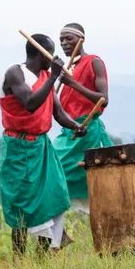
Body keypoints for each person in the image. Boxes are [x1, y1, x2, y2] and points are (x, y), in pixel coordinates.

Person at [0, 34, 85, 254]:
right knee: (22, 203)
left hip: (42, 147)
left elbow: (57, 111)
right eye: (51, 53)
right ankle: (19, 258)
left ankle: (44, 254)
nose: (55, 58)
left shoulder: (46, 75)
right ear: (38, 53)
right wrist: (53, 78)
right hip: (18, 148)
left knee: (55, 195)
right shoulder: (15, 73)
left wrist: (75, 125)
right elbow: (30, 103)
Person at [52, 23, 112, 213]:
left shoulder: (94, 61)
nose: (64, 43)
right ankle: (56, 231)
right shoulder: (65, 68)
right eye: (61, 39)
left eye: (69, 38)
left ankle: (106, 219)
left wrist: (73, 83)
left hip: (88, 130)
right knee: (52, 172)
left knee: (93, 179)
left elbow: (103, 99)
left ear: (81, 39)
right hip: (69, 132)